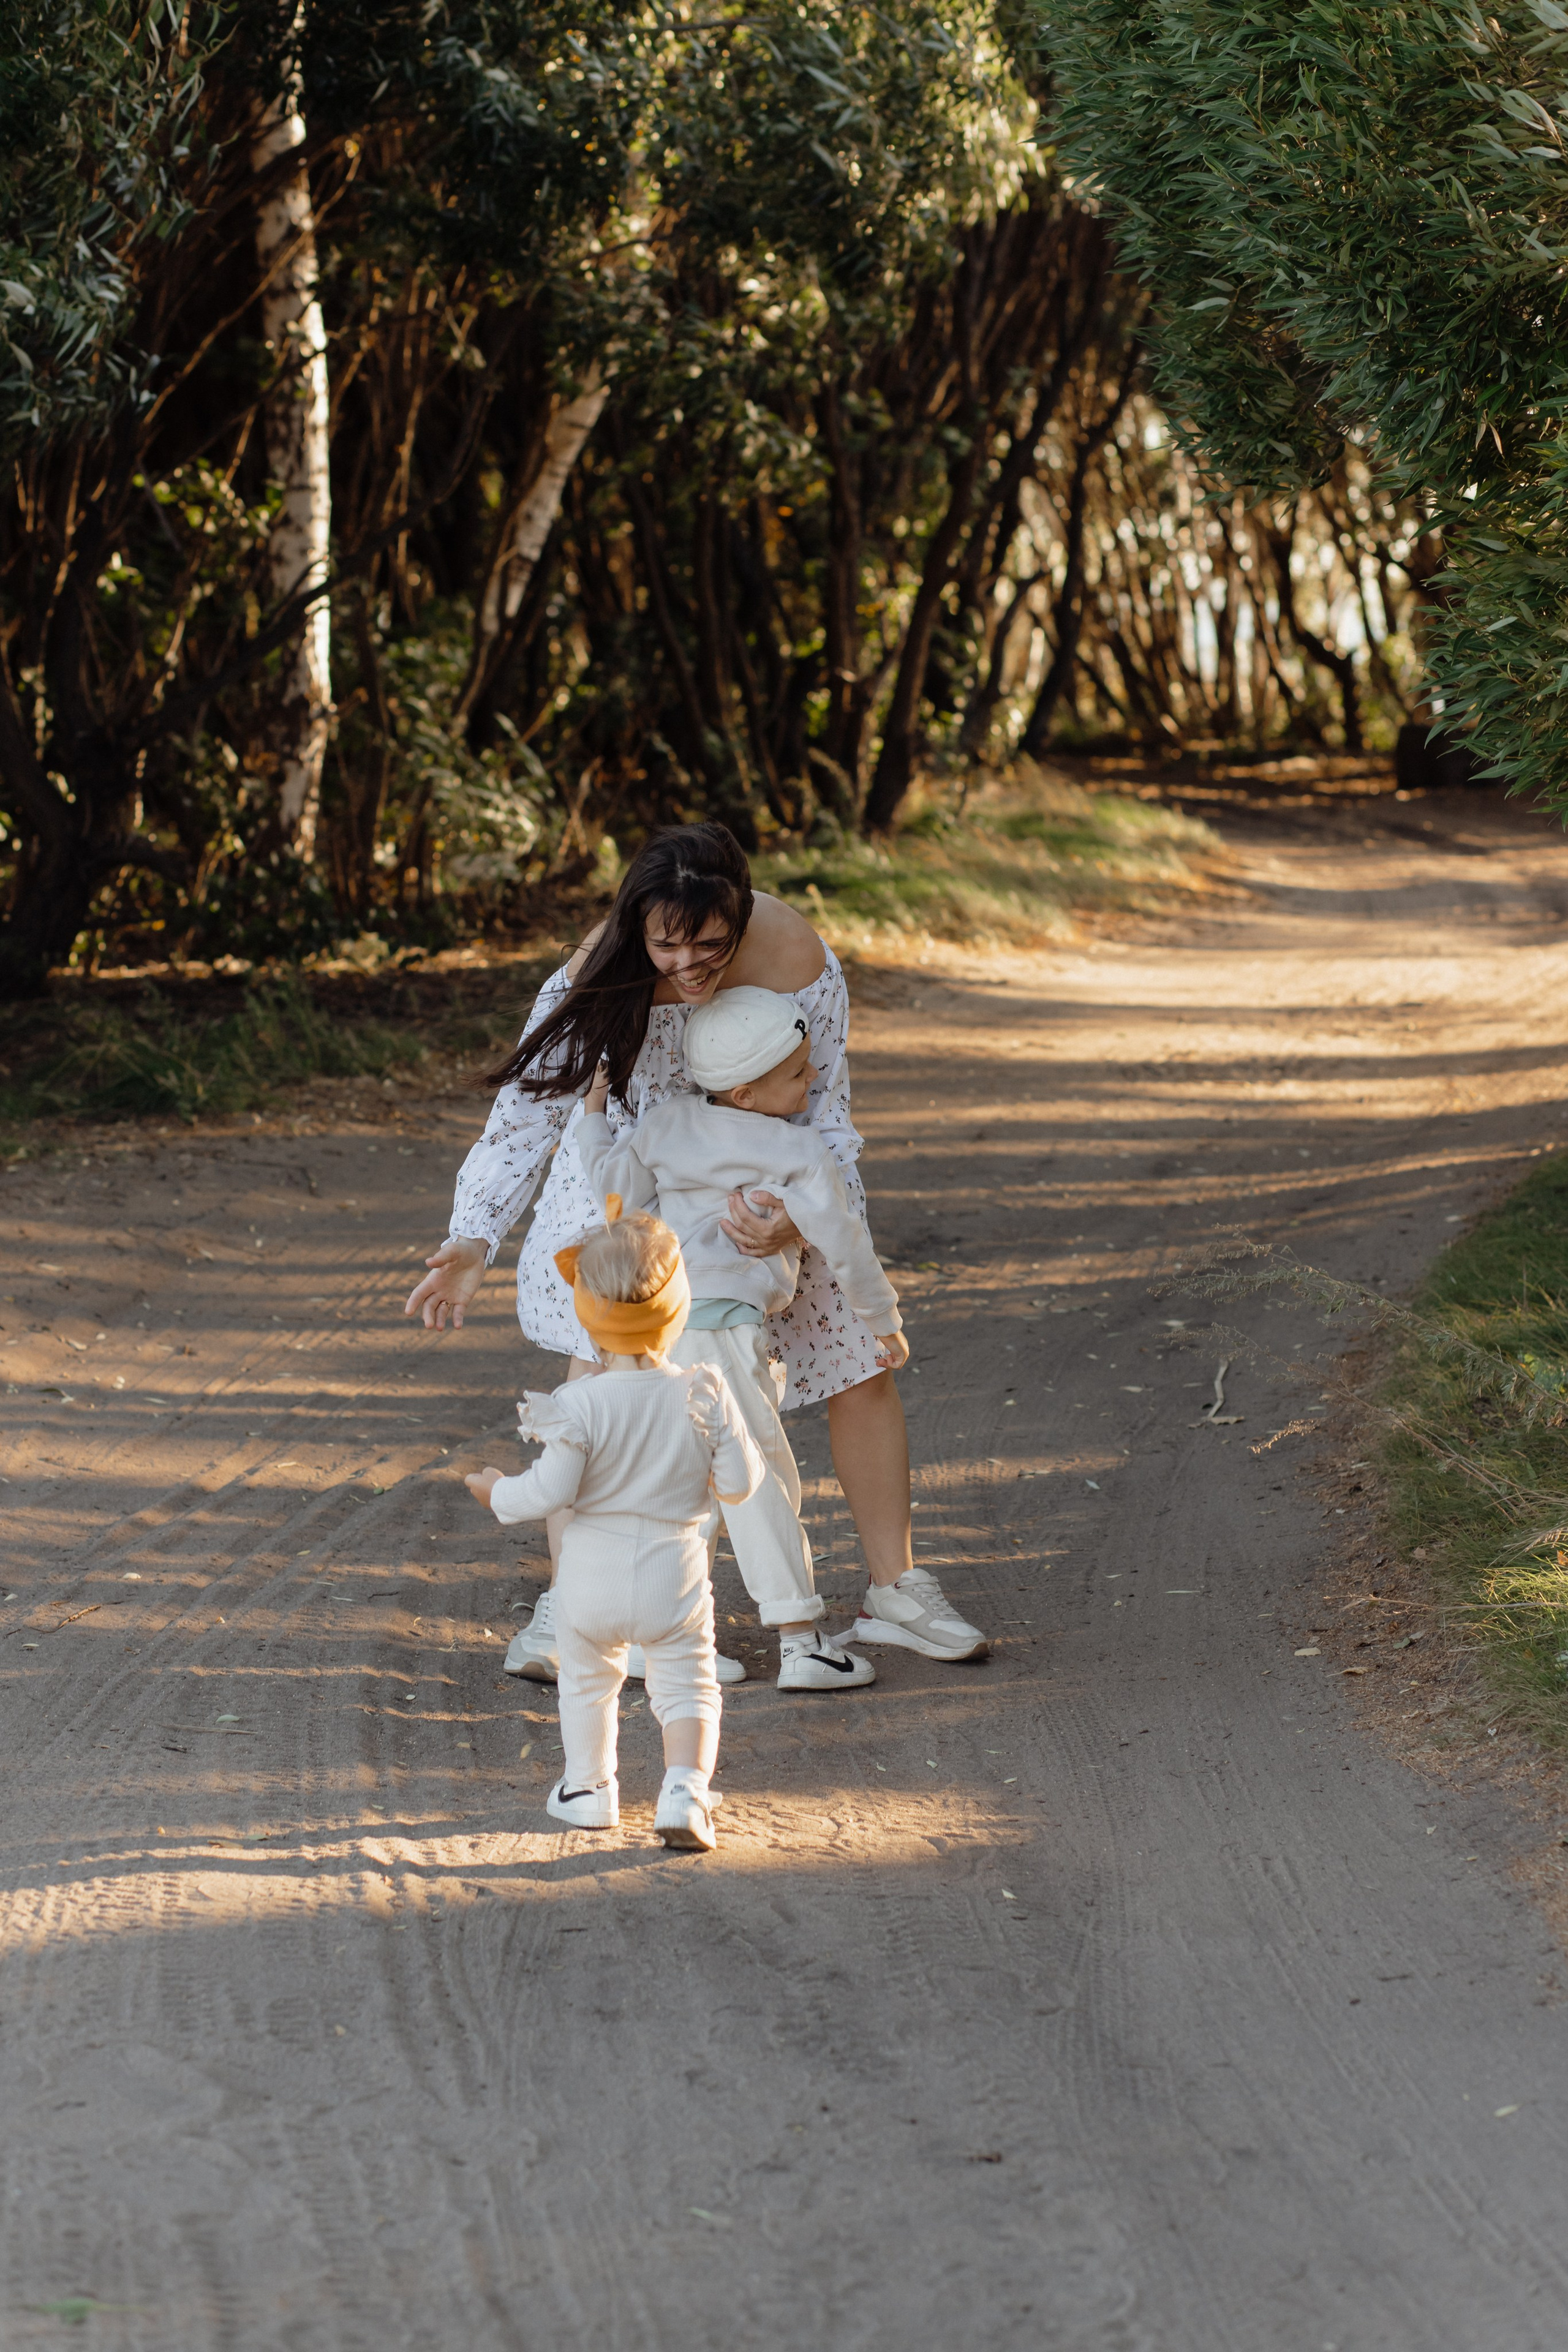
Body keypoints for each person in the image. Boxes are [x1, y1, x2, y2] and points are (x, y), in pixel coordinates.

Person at [407, 820, 989, 1679]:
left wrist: (793, 1222)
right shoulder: (600, 972)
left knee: (860, 1357)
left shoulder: (793, 957)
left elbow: (825, 1112)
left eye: (710, 944)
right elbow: (528, 1114)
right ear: (638, 925)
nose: (688, 965)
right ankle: (576, 1613)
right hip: (635, 1165)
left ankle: (895, 1591)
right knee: (606, 1374)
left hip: (770, 1169)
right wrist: (472, 1237)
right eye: (667, 946)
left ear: (741, 919)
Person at [577, 985, 910, 1684]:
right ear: (750, 1093)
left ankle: (654, 1635)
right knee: (758, 1477)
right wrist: (883, 1322)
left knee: (681, 1487)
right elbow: (844, 1244)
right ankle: (800, 1639)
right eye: (798, 1073)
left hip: (660, 1335)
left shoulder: (666, 1125)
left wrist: (594, 1115)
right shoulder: (794, 1149)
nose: (814, 1079)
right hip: (725, 1335)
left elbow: (613, 1196)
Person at [465, 1205, 763, 1853]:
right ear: (679, 1310)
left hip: (590, 1579)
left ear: (587, 1315)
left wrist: (498, 1493)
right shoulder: (702, 1392)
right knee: (687, 1684)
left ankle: (590, 1789)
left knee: (586, 1681)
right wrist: (727, 1429)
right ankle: (684, 1790)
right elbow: (741, 1485)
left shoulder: (578, 1405)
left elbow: (549, 1493)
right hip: (676, 1574)